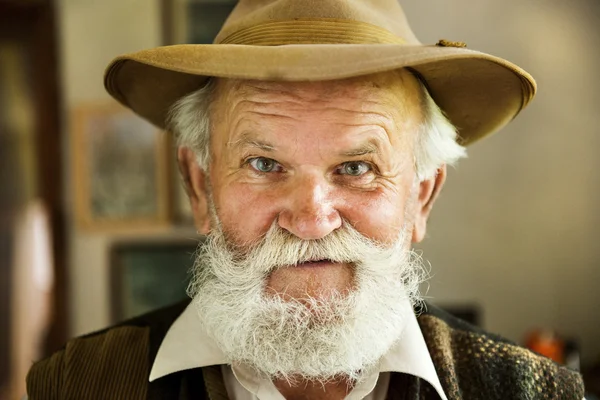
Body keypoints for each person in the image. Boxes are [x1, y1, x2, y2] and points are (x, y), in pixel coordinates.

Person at [27, 0, 585, 399]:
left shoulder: (532, 391)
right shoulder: (77, 384)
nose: (312, 220)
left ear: (421, 197)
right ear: (199, 187)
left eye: (357, 168)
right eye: (264, 164)